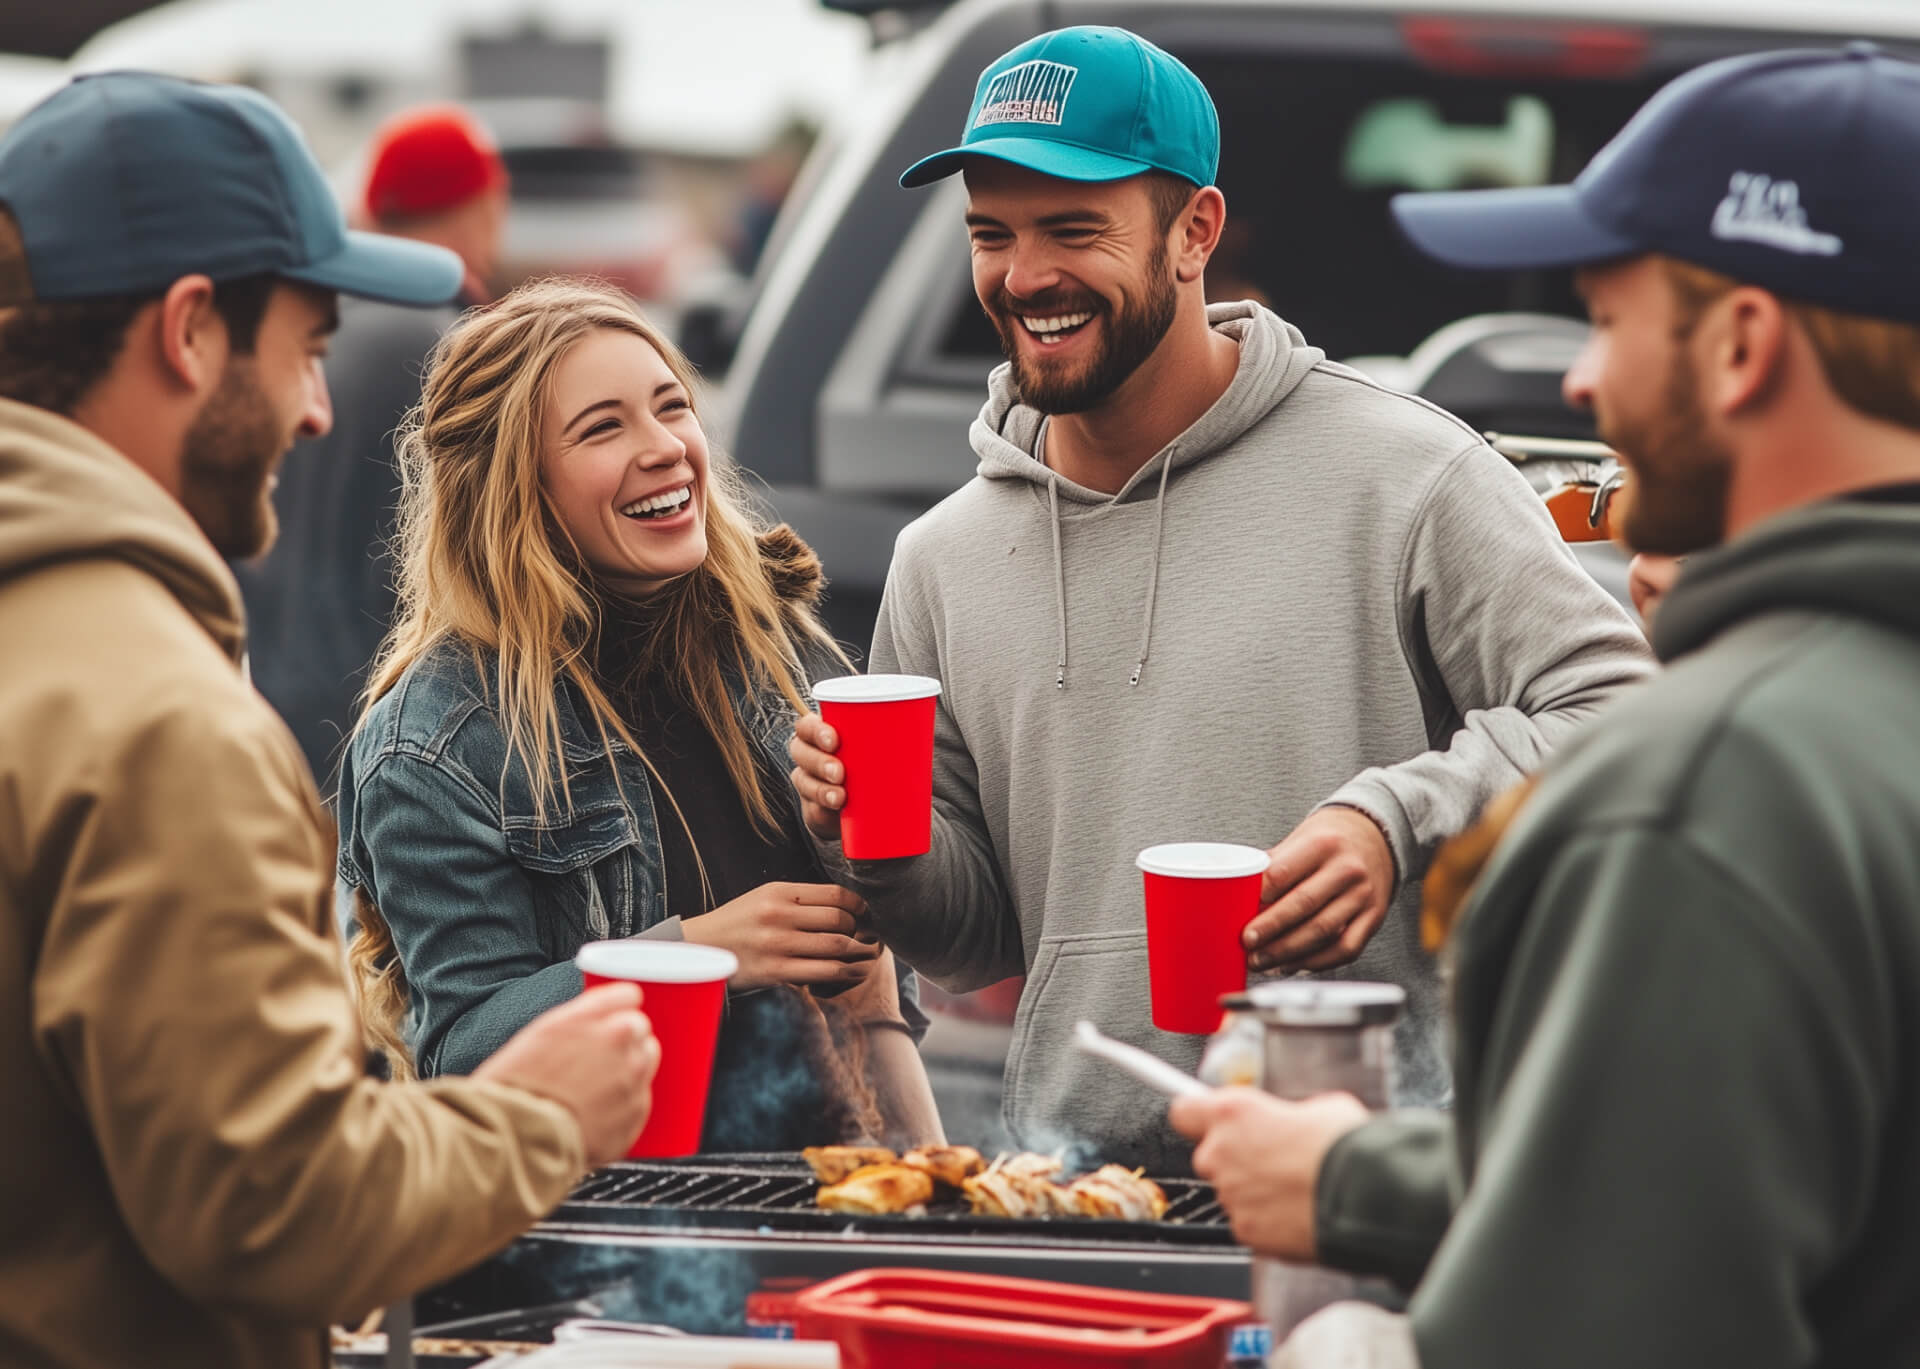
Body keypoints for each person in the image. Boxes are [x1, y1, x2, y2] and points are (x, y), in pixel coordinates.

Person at [786, 25, 1654, 1170]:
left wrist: (1396, 821)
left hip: (1368, 1170)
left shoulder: (1407, 474)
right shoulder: (943, 554)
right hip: (1079, 1180)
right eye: (990, 235)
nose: (1024, 275)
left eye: (1073, 229)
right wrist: (874, 845)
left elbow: (1624, 718)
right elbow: (975, 933)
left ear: (1195, 232)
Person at [1172, 44, 1920, 1368]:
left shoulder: (1705, 796)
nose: (1579, 382)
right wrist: (1365, 1178)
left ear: (1743, 344)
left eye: (1610, 319)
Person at [0, 74, 658, 1369]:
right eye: (306, 348)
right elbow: (270, 1206)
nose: (316, 408)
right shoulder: (155, 724)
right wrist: (540, 1117)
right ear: (190, 332)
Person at [335, 278, 943, 1151]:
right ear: (516, 484)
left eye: (672, 407)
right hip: (620, 1240)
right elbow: (464, 1054)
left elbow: (876, 994)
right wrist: (697, 952)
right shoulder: (434, 742)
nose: (665, 447)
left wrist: (932, 1180)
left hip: (839, 1194)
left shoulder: (773, 647)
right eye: (604, 427)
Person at [234, 104, 509, 783]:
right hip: (396, 741)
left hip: (272, 720)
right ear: (482, 205)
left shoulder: (311, 332)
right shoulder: (455, 346)